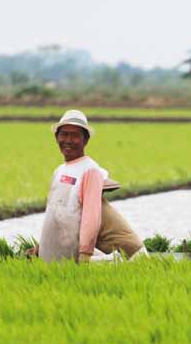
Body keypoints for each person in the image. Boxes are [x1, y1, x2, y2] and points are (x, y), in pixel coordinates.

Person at [37, 110, 146, 263]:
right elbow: (54, 213)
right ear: (56, 137)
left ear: (85, 139)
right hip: (63, 257)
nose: (68, 140)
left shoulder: (90, 171)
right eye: (64, 134)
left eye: (75, 135)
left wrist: (85, 254)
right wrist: (41, 247)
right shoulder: (59, 171)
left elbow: (91, 218)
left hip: (128, 256)